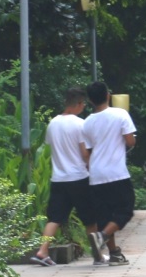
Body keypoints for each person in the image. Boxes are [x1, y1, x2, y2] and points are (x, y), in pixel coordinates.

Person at [32, 87, 100, 266]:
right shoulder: (80, 124)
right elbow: (84, 154)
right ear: (78, 103)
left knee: (55, 218)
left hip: (59, 179)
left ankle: (42, 251)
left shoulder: (53, 123)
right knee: (90, 219)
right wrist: (93, 167)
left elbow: (52, 146)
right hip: (79, 177)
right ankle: (98, 255)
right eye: (83, 104)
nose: (84, 107)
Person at [82, 81, 137, 266]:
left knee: (104, 216)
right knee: (125, 210)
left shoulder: (87, 122)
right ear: (108, 95)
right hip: (116, 173)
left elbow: (89, 150)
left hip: (96, 175)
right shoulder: (120, 114)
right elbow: (130, 142)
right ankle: (102, 235)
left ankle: (114, 254)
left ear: (90, 100)